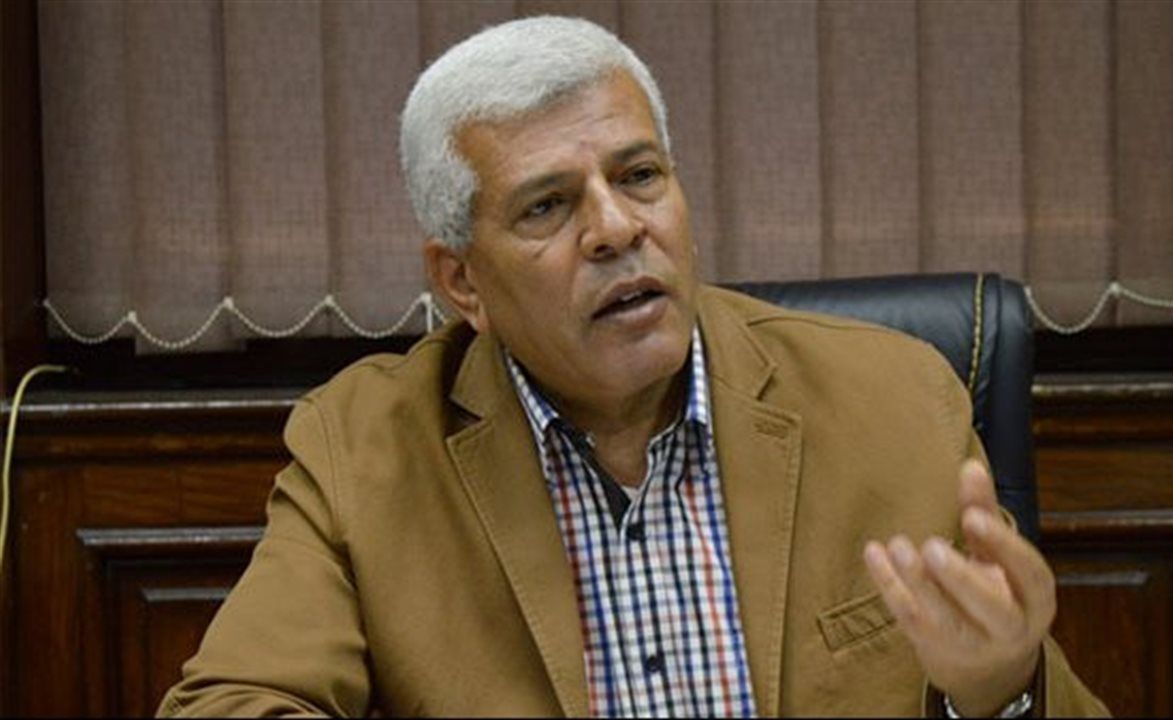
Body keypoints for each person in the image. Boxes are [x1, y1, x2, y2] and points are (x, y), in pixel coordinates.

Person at [159, 16, 1107, 718]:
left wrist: (1000, 689)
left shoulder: (895, 398)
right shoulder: (366, 452)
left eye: (640, 176)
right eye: (547, 206)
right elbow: (227, 704)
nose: (616, 228)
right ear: (462, 282)